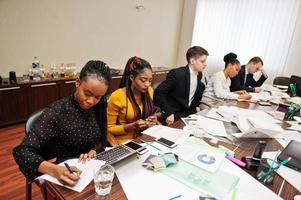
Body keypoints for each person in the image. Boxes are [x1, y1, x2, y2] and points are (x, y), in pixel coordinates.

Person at [13, 60, 111, 186]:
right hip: (65, 170)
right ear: (77, 82)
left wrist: (94, 150)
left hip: (90, 169)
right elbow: (22, 152)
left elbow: (101, 138)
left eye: (98, 97)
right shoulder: (56, 112)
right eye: (87, 94)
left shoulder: (99, 106)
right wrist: (55, 170)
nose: (91, 101)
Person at [107, 56, 158, 145]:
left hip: (145, 138)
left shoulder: (150, 91)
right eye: (143, 80)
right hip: (124, 141)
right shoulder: (117, 96)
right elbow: (108, 129)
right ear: (131, 77)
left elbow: (154, 112)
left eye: (150, 80)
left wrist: (154, 120)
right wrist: (132, 126)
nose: (147, 84)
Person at [154, 46, 208, 125]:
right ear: (192, 61)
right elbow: (159, 92)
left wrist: (196, 106)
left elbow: (192, 93)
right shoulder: (177, 74)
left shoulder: (199, 75)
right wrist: (168, 112)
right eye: (202, 61)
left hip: (190, 113)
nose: (205, 64)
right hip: (174, 114)